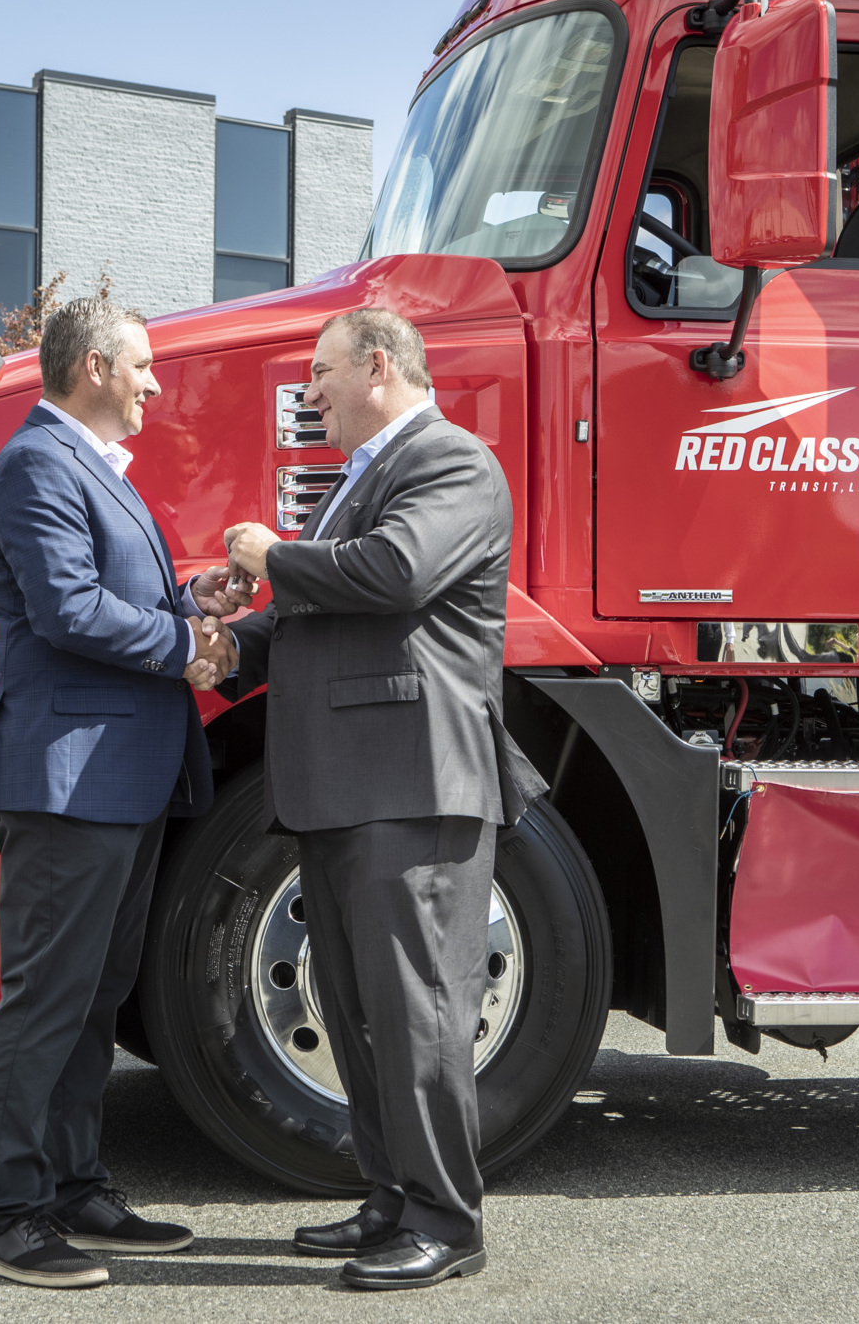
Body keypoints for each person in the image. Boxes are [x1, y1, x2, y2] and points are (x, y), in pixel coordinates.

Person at [219, 307, 545, 1291]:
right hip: (348, 783)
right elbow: (321, 617)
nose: (307, 391)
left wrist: (267, 555)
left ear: (375, 365)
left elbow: (395, 573)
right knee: (357, 1007)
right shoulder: (358, 482)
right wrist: (225, 641)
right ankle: (389, 1200)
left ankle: (445, 1221)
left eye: (318, 373)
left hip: (411, 782)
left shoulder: (449, 461)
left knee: (417, 1011)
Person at [0, 297, 243, 1290]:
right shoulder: (38, 463)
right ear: (92, 366)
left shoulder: (86, 467)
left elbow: (105, 595)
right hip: (67, 778)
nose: (155, 384)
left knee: (93, 994)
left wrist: (189, 597)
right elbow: (68, 608)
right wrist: (185, 649)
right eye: (143, 367)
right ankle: (5, 1212)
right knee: (46, 995)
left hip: (115, 777)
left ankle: (74, 1187)